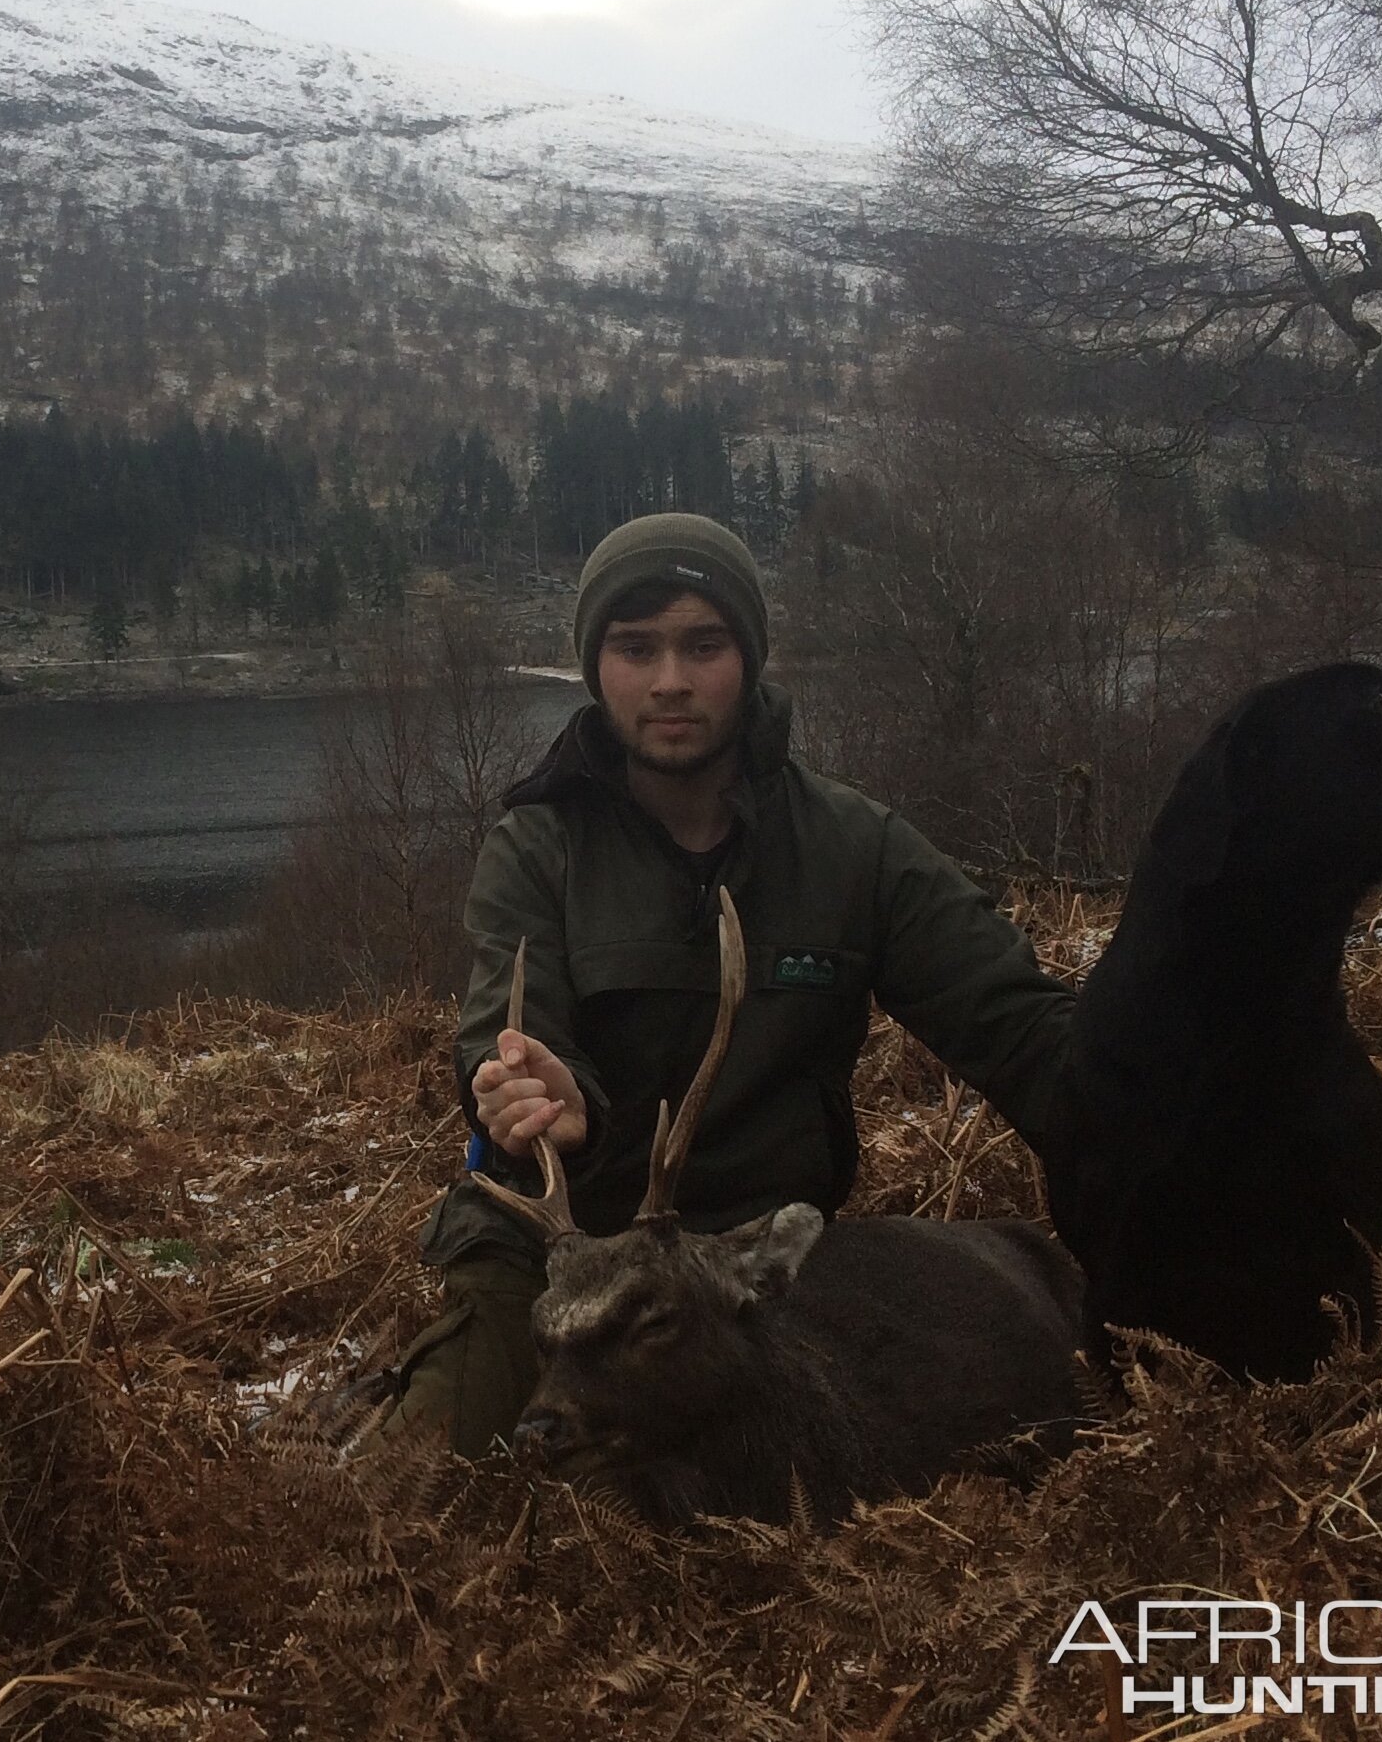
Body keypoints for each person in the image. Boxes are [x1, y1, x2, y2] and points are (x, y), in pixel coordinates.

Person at [377, 511, 1077, 1456]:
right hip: (567, 1264)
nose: (670, 680)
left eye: (702, 644)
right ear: (596, 667)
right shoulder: (536, 850)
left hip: (755, 1272)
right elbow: (500, 1035)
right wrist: (541, 1095)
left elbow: (1022, 1032)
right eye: (635, 648)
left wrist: (1139, 1094)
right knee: (429, 1489)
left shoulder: (851, 847)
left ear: (746, 656)